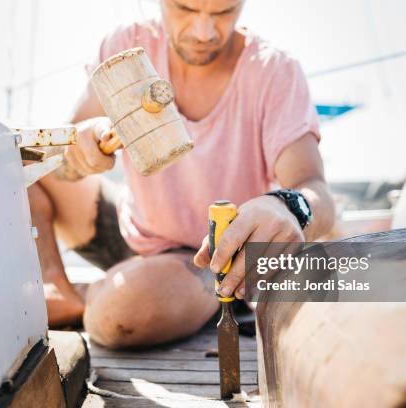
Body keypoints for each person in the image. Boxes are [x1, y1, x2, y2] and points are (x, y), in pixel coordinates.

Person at [28, 0, 335, 348]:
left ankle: (100, 294)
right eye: (185, 8)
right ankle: (58, 289)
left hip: (207, 257)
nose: (204, 33)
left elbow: (313, 188)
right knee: (23, 161)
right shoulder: (126, 46)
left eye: (223, 13)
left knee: (118, 318)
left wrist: (288, 206)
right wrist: (83, 149)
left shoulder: (274, 71)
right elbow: (63, 160)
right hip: (131, 226)